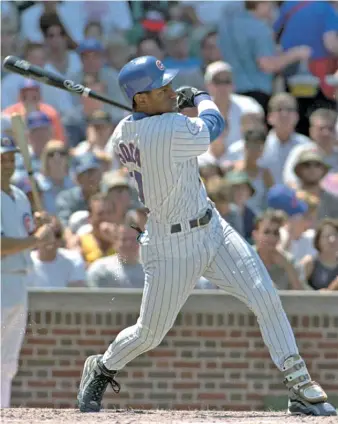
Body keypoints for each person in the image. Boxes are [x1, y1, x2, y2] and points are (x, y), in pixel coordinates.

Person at [77, 55, 336, 416]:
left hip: (212, 227)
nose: (170, 92)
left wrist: (161, 106)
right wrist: (199, 96)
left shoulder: (128, 128)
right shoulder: (162, 129)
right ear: (140, 99)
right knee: (150, 333)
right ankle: (102, 367)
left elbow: (146, 122)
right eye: (161, 88)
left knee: (264, 296)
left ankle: (299, 384)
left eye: (169, 86)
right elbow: (214, 125)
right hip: (172, 246)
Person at [1, 135, 54, 407]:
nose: (7, 163)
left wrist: (39, 228)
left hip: (19, 280)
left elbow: (23, 239)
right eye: (2, 158)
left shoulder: (20, 196)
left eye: (10, 157)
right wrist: (36, 238)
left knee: (9, 361)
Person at [252, 209, 303, 291]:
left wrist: (288, 268)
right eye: (266, 232)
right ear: (255, 235)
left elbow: (302, 298)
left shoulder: (289, 261)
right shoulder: (245, 257)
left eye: (276, 233)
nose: (272, 237)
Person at [30, 216, 86, 288]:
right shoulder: (25, 262)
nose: (52, 239)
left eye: (57, 235)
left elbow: (76, 296)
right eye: (46, 234)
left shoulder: (74, 260)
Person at [87, 223, 144, 289]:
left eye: (133, 239)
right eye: (124, 239)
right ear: (115, 242)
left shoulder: (149, 270)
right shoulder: (101, 269)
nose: (129, 244)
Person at [300, 219, 338, 291]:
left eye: (336, 235)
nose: (332, 240)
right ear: (318, 240)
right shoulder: (309, 262)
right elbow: (297, 286)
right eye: (327, 236)